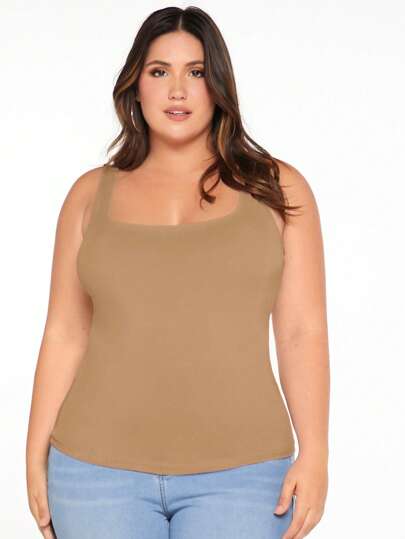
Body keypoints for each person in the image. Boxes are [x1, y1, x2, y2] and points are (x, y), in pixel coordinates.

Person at [26, 6, 329, 539]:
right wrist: (34, 455)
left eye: (196, 72)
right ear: (135, 85)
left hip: (244, 475)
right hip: (94, 473)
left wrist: (317, 453)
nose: (177, 90)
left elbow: (302, 331)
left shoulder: (278, 190)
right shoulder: (89, 195)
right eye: (159, 71)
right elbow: (65, 331)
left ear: (219, 85)